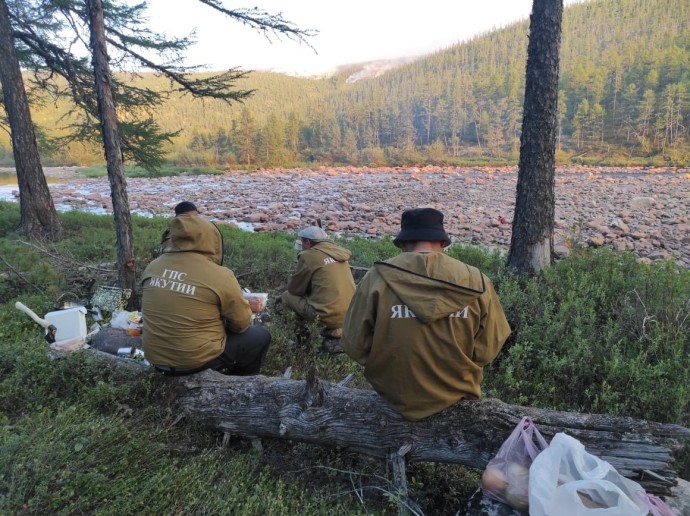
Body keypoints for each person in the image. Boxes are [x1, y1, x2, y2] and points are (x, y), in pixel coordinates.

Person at [341, 207, 511, 421]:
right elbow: (492, 341)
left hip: (393, 396)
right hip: (458, 393)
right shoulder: (475, 279)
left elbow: (354, 342)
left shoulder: (376, 278)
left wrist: (386, 363)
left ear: (402, 243)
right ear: (442, 243)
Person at [142, 214, 271, 376]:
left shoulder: (152, 266)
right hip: (194, 362)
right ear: (211, 240)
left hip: (155, 359)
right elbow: (241, 324)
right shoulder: (220, 274)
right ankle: (241, 383)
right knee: (259, 336)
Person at [281, 226, 356, 339]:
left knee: (287, 296)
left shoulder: (308, 256)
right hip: (351, 316)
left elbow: (295, 290)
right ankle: (336, 329)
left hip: (326, 317)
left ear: (307, 243)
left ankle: (301, 336)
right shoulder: (339, 252)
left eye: (302, 242)